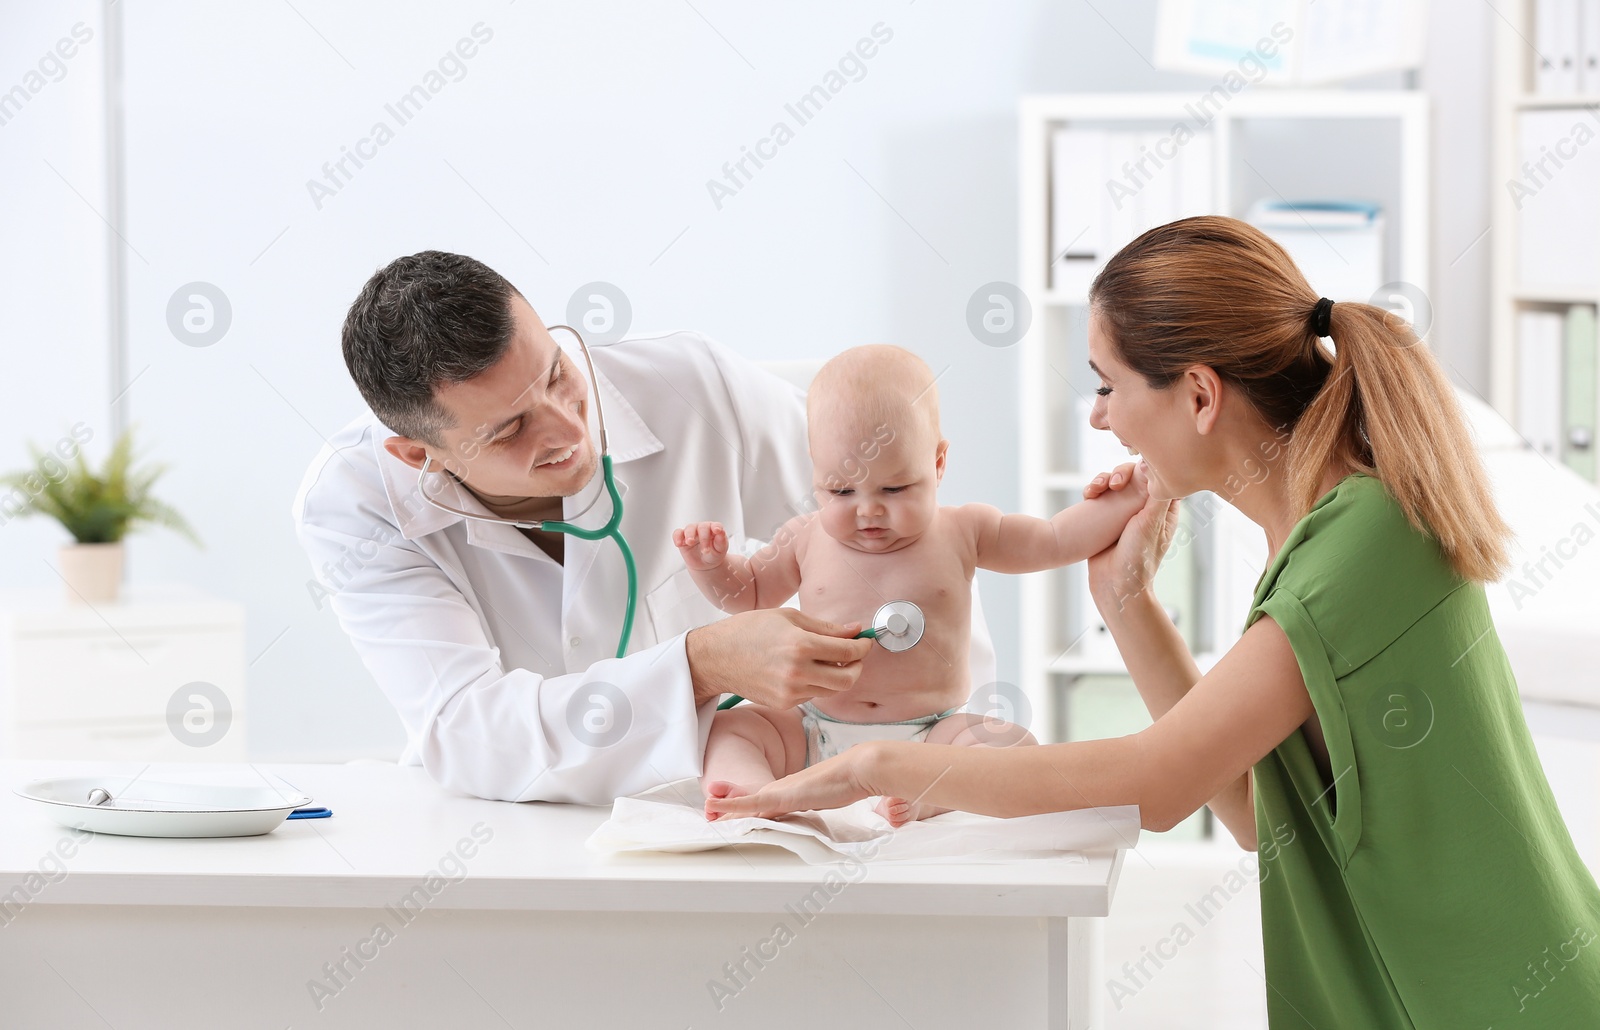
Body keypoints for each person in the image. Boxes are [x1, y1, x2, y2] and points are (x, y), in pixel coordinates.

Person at [704, 217, 1600, 1026]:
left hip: (1493, 997)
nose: (1100, 418)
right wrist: (1124, 599)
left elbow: (1159, 783)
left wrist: (880, 763)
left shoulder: (1363, 545)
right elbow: (1255, 813)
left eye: (1108, 385)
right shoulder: (1325, 541)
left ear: (1200, 396)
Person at [292, 251, 996, 805]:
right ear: (420, 454)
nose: (569, 428)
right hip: (501, 826)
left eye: (557, 373)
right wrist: (701, 664)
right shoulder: (354, 502)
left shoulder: (695, 387)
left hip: (747, 806)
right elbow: (467, 732)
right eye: (510, 428)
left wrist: (929, 751)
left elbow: (920, 564)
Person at [676, 344, 1147, 825]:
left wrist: (1129, 494)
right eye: (841, 490)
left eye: (895, 489)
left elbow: (1053, 540)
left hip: (932, 737)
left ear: (938, 463)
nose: (868, 510)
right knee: (731, 728)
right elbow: (748, 594)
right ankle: (754, 795)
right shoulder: (804, 538)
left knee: (1008, 743)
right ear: (814, 467)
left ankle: (931, 796)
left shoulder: (965, 530)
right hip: (813, 729)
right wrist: (712, 566)